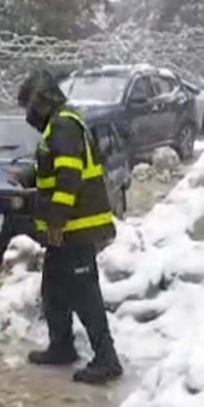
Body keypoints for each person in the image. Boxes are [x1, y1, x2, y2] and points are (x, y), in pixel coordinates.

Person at [18, 69, 123, 385]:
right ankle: (61, 345)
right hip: (66, 231)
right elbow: (54, 169)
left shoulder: (63, 124)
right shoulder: (57, 125)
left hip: (76, 228)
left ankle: (107, 359)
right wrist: (28, 178)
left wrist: (56, 221)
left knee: (84, 294)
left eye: (29, 107)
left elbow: (69, 176)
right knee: (53, 289)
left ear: (41, 100)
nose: (28, 115)